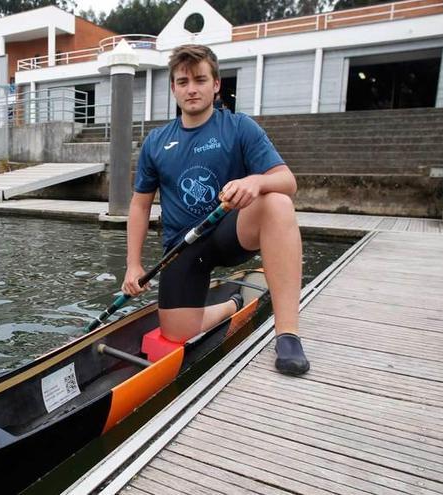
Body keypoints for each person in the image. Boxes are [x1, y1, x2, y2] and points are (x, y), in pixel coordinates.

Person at [122, 44, 309, 376]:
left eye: (200, 79)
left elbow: (287, 181)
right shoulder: (155, 142)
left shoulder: (239, 127)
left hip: (228, 232)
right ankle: (232, 304)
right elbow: (139, 205)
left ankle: (287, 335)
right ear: (173, 88)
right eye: (183, 82)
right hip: (183, 247)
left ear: (216, 84)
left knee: (277, 201)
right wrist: (133, 265)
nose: (191, 89)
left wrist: (256, 182)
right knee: (176, 332)